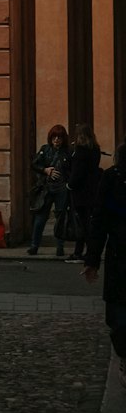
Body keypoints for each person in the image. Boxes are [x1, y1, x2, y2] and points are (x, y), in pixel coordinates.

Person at [83, 143, 126, 386]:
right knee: (119, 317)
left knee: (119, 315)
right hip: (120, 254)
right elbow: (99, 221)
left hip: (118, 255)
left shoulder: (111, 178)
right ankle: (124, 355)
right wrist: (92, 259)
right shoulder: (112, 179)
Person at [28, 123, 72, 256]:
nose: (57, 140)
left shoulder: (68, 152)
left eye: (59, 137)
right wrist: (45, 170)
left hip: (61, 189)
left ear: (63, 139)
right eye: (54, 137)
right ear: (50, 138)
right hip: (46, 188)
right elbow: (34, 164)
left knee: (60, 218)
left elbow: (71, 170)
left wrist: (67, 183)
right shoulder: (45, 149)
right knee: (40, 218)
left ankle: (60, 247)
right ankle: (34, 246)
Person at [66, 123, 102, 262]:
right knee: (86, 222)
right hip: (92, 189)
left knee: (82, 223)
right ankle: (79, 251)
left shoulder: (80, 150)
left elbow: (77, 171)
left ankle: (86, 252)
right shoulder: (95, 149)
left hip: (80, 192)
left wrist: (69, 185)